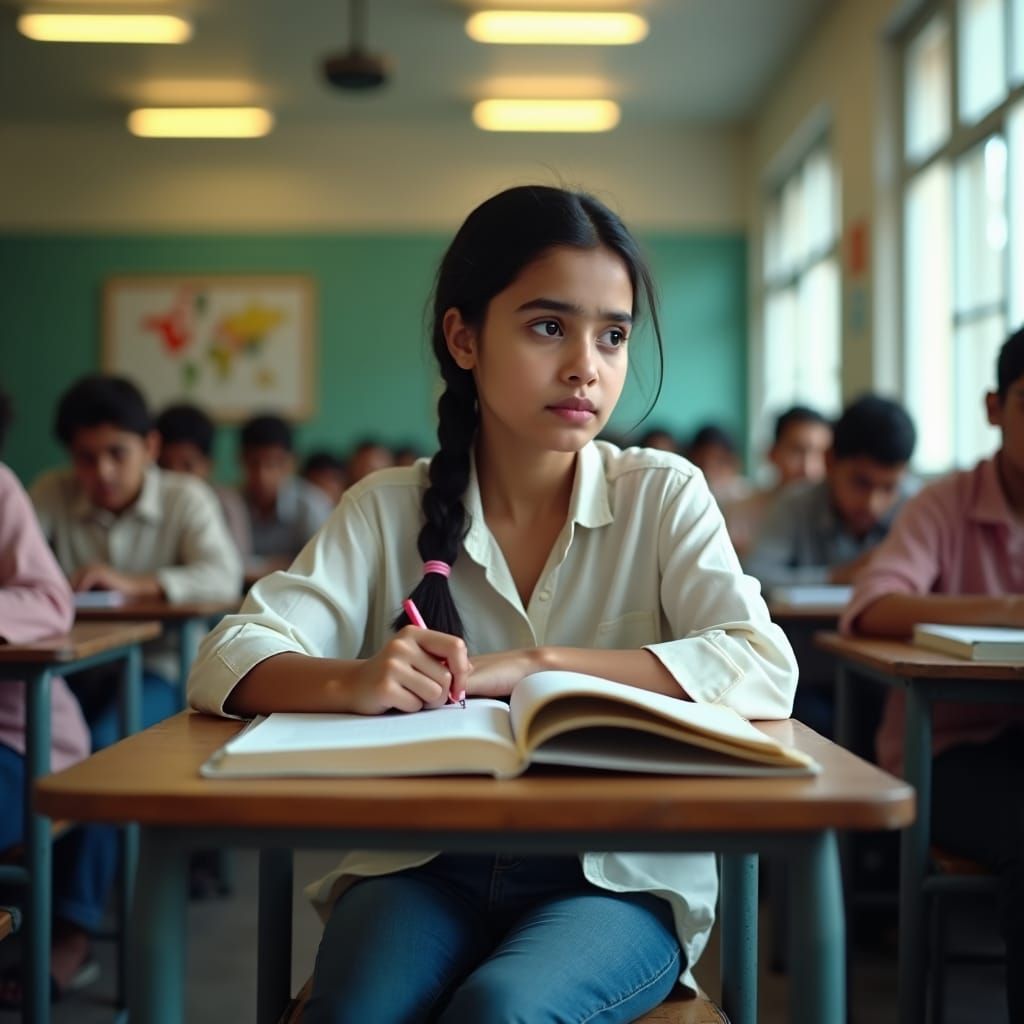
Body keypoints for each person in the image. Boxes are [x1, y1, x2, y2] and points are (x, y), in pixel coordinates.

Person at [188, 184, 797, 1023]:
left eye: (613, 335)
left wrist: (537, 666)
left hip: (615, 875)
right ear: (463, 337)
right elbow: (228, 654)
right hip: (422, 864)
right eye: (550, 326)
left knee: (500, 1010)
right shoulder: (387, 506)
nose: (587, 363)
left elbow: (763, 663)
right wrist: (354, 680)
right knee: (354, 1011)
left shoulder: (662, 495)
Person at [841, 325, 1024, 1023]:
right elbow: (873, 605)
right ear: (994, 407)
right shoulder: (944, 504)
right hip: (951, 750)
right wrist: (1010, 608)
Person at [30, 374, 243, 750]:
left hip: (160, 664)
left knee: (103, 742)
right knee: (39, 740)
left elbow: (225, 576)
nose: (103, 472)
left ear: (150, 446)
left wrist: (135, 584)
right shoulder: (52, 492)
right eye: (86, 458)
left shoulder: (186, 497)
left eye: (117, 453)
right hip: (73, 663)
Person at [0, 389, 102, 1007]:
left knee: (129, 733)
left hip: (16, 731)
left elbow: (47, 598)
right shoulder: (47, 492)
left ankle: (72, 925)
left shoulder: (2, 489)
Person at [745, 394, 916, 590]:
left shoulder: (917, 507)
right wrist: (838, 576)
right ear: (830, 461)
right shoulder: (795, 504)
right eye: (861, 483)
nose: (873, 504)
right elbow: (755, 576)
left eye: (889, 487)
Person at [723, 405, 833, 559]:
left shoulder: (839, 517)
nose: (809, 468)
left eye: (821, 454)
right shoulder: (738, 515)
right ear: (772, 453)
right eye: (797, 451)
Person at [155, 401, 252, 559]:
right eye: (163, 465)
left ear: (209, 466)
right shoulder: (146, 505)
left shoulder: (227, 506)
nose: (175, 475)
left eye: (187, 466)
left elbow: (238, 566)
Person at [238, 413, 333, 573]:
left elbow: (323, 565)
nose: (263, 475)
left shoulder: (313, 506)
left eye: (273, 463)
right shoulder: (231, 503)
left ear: (291, 463)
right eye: (254, 463)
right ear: (241, 460)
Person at [686, 423, 749, 503]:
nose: (709, 472)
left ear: (734, 463)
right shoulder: (688, 494)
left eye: (719, 463)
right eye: (702, 463)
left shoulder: (746, 497)